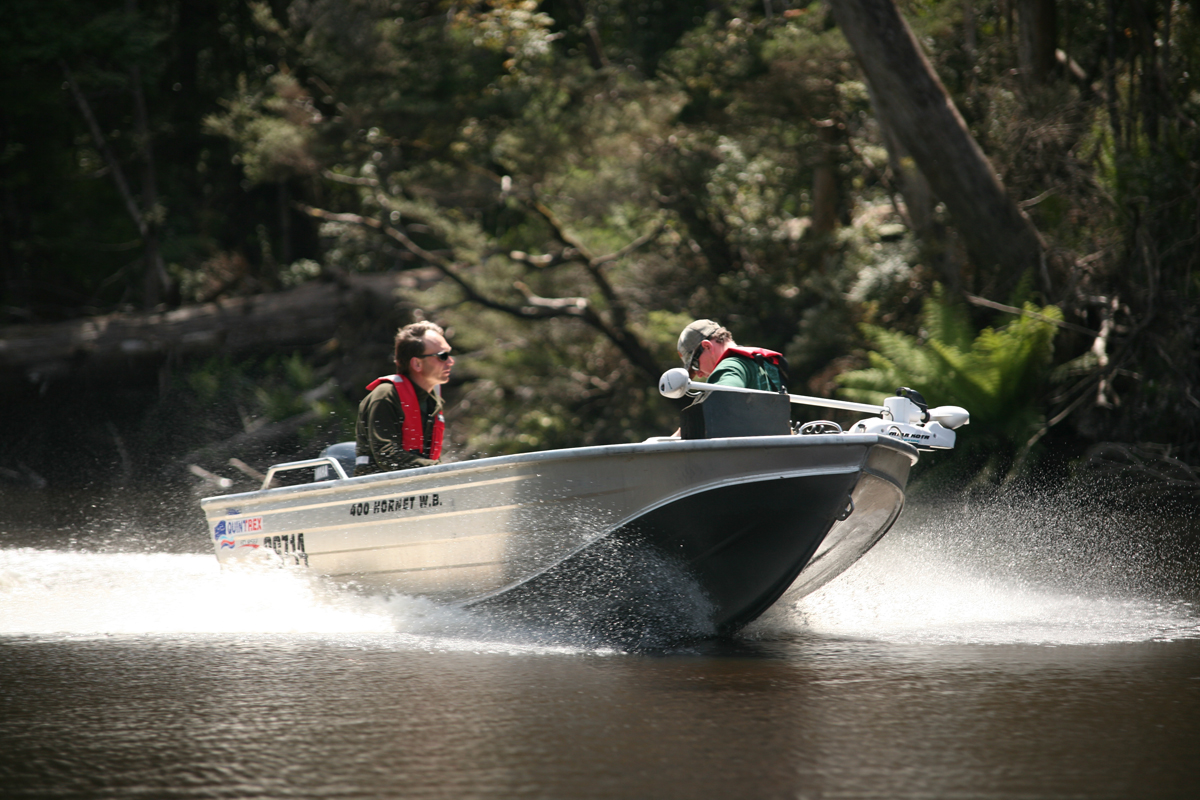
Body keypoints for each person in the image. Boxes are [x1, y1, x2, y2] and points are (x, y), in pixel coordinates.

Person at [355, 321, 454, 475]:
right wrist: (439, 470)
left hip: (417, 489)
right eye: (442, 356)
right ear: (417, 364)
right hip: (378, 492)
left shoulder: (432, 400)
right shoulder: (385, 396)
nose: (450, 361)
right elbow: (387, 456)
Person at [676, 319, 788, 393]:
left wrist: (685, 428)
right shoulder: (764, 362)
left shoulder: (730, 366)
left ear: (707, 346)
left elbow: (721, 402)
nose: (699, 375)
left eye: (695, 365)